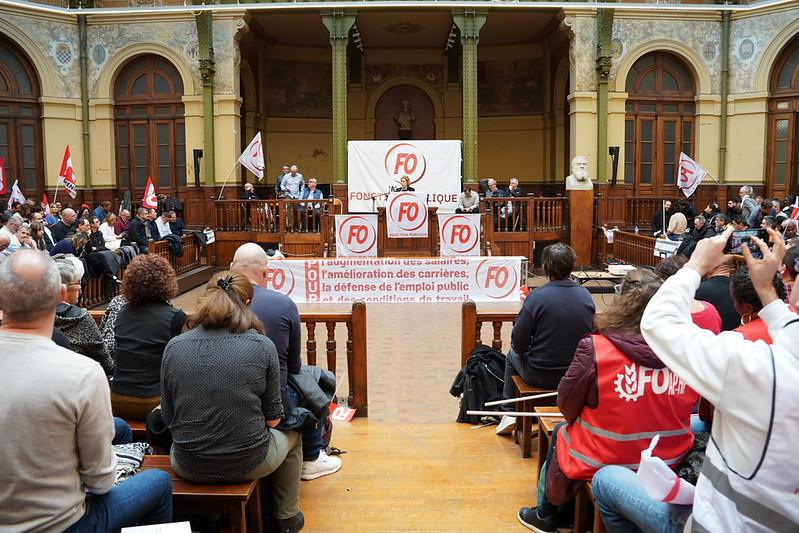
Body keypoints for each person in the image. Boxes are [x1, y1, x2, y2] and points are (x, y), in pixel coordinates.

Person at [606, 226, 799, 531]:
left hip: (725, 524)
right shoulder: (772, 348)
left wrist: (695, 265)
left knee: (607, 480)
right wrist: (768, 295)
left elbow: (659, 323)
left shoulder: (756, 366)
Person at [0, 251, 173, 532]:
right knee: (159, 480)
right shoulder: (81, 373)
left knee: (118, 429)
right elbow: (100, 481)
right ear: (61, 294)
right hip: (62, 525)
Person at [518, 269, 698, 532]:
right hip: (668, 460)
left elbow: (566, 403)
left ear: (621, 303)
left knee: (561, 431)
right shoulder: (688, 348)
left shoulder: (597, 347)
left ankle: (548, 515)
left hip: (606, 457)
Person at [161, 271, 305, 532]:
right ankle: (286, 517)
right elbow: (274, 419)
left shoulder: (175, 346)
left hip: (188, 464)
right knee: (293, 435)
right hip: (249, 461)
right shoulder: (262, 345)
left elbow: (169, 418)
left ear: (204, 299)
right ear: (248, 304)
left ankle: (211, 518)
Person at [230, 243, 342, 480]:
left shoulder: (211, 303)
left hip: (221, 398)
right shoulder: (281, 304)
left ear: (231, 269)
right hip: (271, 403)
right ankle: (312, 456)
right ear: (266, 273)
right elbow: (293, 366)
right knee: (315, 383)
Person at [497, 243, 595, 434]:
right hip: (575, 373)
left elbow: (519, 343)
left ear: (545, 267)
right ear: (572, 266)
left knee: (511, 355)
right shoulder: (586, 296)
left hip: (539, 374)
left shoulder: (537, 297)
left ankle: (508, 413)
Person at [111, 254, 186, 419]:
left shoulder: (122, 313)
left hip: (116, 398)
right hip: (154, 402)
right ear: (166, 281)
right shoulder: (176, 317)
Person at [53, 259, 114, 375]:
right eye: (77, 282)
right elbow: (105, 362)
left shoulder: (36, 317)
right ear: (63, 289)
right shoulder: (81, 318)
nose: (80, 288)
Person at [730, 265, 786, 343]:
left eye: (734, 300)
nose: (734, 305)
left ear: (749, 308)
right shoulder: (793, 322)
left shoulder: (737, 339)